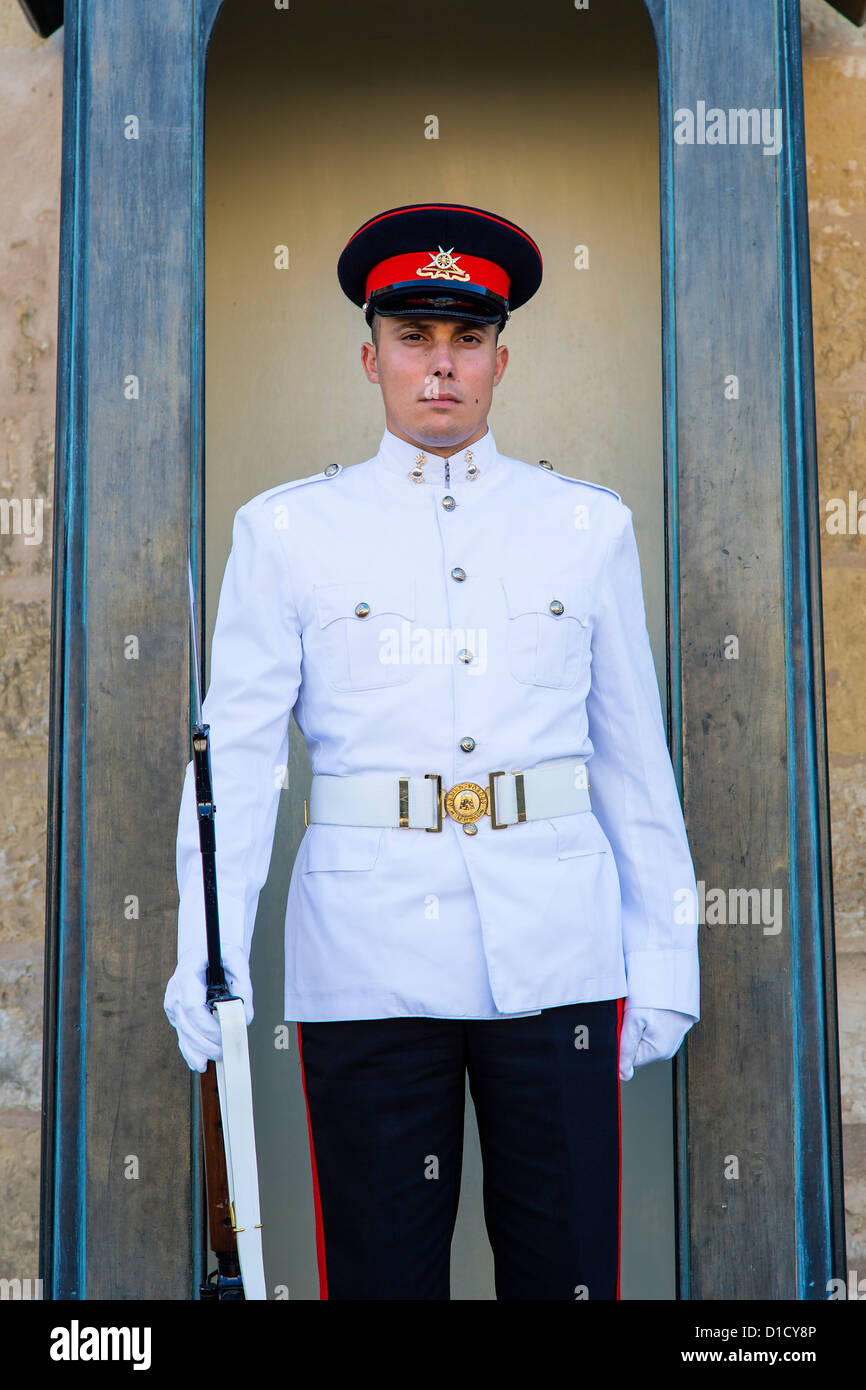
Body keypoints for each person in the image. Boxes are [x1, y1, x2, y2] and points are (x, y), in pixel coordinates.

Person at [164, 202, 700, 1301]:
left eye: (465, 340)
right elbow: (240, 765)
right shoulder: (286, 532)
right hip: (367, 961)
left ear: (501, 358)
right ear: (370, 357)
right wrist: (203, 949)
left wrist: (665, 957)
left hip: (555, 952)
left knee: (564, 1276)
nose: (439, 366)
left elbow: (633, 763)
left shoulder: (583, 527)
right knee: (380, 1275)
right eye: (414, 338)